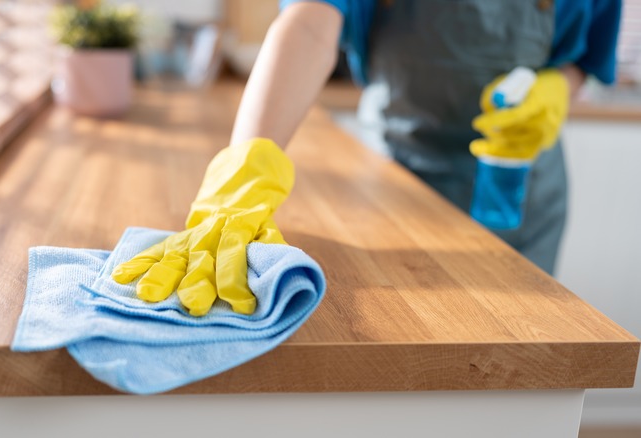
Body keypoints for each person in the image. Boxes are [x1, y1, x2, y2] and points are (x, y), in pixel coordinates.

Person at [113, 0, 622, 316]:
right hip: (392, 183)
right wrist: (244, 167)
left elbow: (586, 56)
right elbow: (311, 23)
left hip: (521, 189)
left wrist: (559, 87)